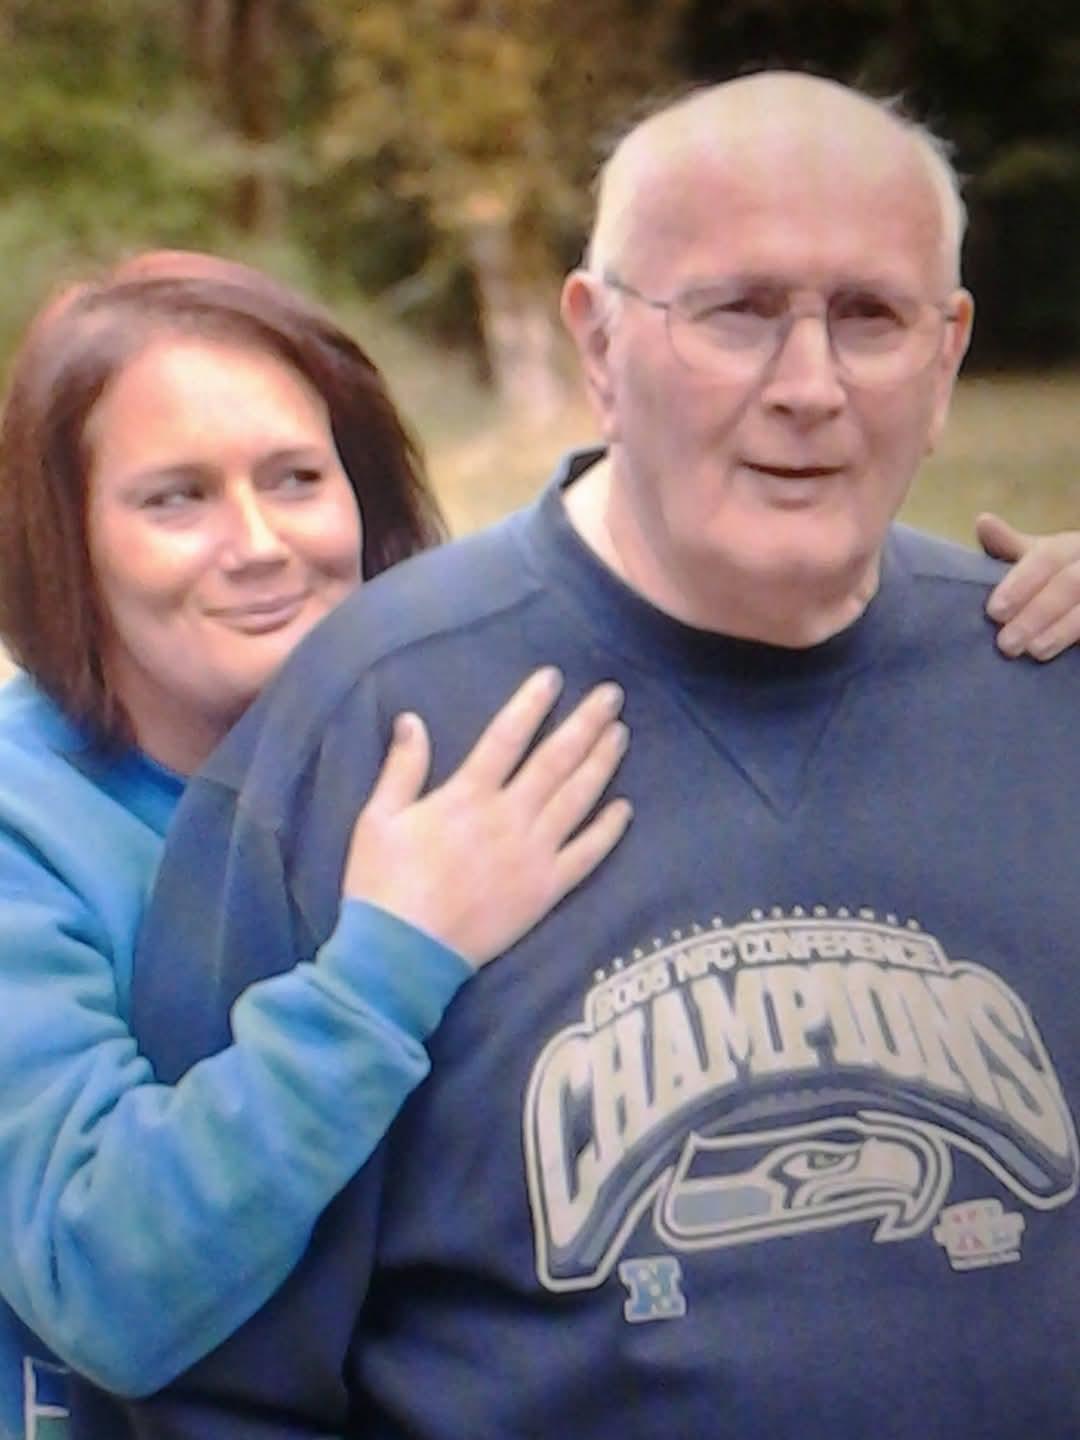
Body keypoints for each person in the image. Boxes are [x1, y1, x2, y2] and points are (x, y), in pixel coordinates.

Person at [114, 72, 1080, 1439]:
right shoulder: (375, 721)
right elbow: (205, 1356)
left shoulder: (1045, 678)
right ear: (599, 340)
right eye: (738, 311)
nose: (807, 386)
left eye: (869, 315)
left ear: (948, 356)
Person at [0, 252, 634, 1440]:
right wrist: (390, 963)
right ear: (65, 539)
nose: (257, 544)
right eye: (174, 498)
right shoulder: (20, 821)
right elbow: (99, 1278)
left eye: (296, 477)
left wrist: (998, 618)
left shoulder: (468, 745)